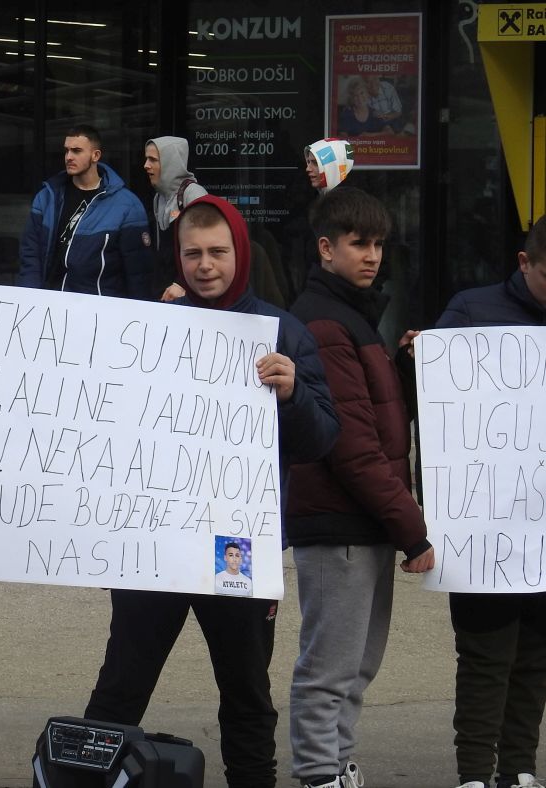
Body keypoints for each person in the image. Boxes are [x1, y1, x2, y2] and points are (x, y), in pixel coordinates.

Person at [83, 195, 339, 788]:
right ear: (177, 256)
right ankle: (86, 778)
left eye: (218, 252)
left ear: (241, 252)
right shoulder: (148, 327)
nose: (204, 265)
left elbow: (322, 440)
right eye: (193, 253)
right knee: (121, 686)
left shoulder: (282, 332)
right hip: (155, 540)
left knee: (247, 690)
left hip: (238, 543)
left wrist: (293, 394)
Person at [284, 186, 435, 788]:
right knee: (330, 668)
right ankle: (320, 774)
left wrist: (405, 369)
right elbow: (352, 446)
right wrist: (411, 527)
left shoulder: (352, 315)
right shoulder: (324, 321)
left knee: (356, 666)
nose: (372, 255)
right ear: (326, 248)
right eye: (358, 243)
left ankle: (337, 767)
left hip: (362, 520)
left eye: (378, 244)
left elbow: (376, 418)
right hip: (339, 521)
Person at [430, 216, 546, 788]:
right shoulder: (472, 310)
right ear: (525, 264)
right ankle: (475, 773)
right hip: (486, 523)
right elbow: (433, 399)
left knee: (536, 655)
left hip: (542, 524)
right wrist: (416, 358)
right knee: (485, 654)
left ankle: (519, 769)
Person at [18, 125, 153, 298]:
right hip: (50, 303)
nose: (69, 157)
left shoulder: (126, 205)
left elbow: (137, 272)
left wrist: (135, 310)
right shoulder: (47, 197)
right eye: (66, 150)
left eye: (76, 151)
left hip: (97, 307)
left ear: (95, 155)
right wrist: (30, 297)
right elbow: (30, 253)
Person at [145, 135, 209, 302]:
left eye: (153, 160)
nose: (146, 165)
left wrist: (181, 284)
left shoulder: (193, 194)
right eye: (146, 159)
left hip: (186, 292)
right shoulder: (159, 198)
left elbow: (206, 246)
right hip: (165, 292)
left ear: (171, 163)